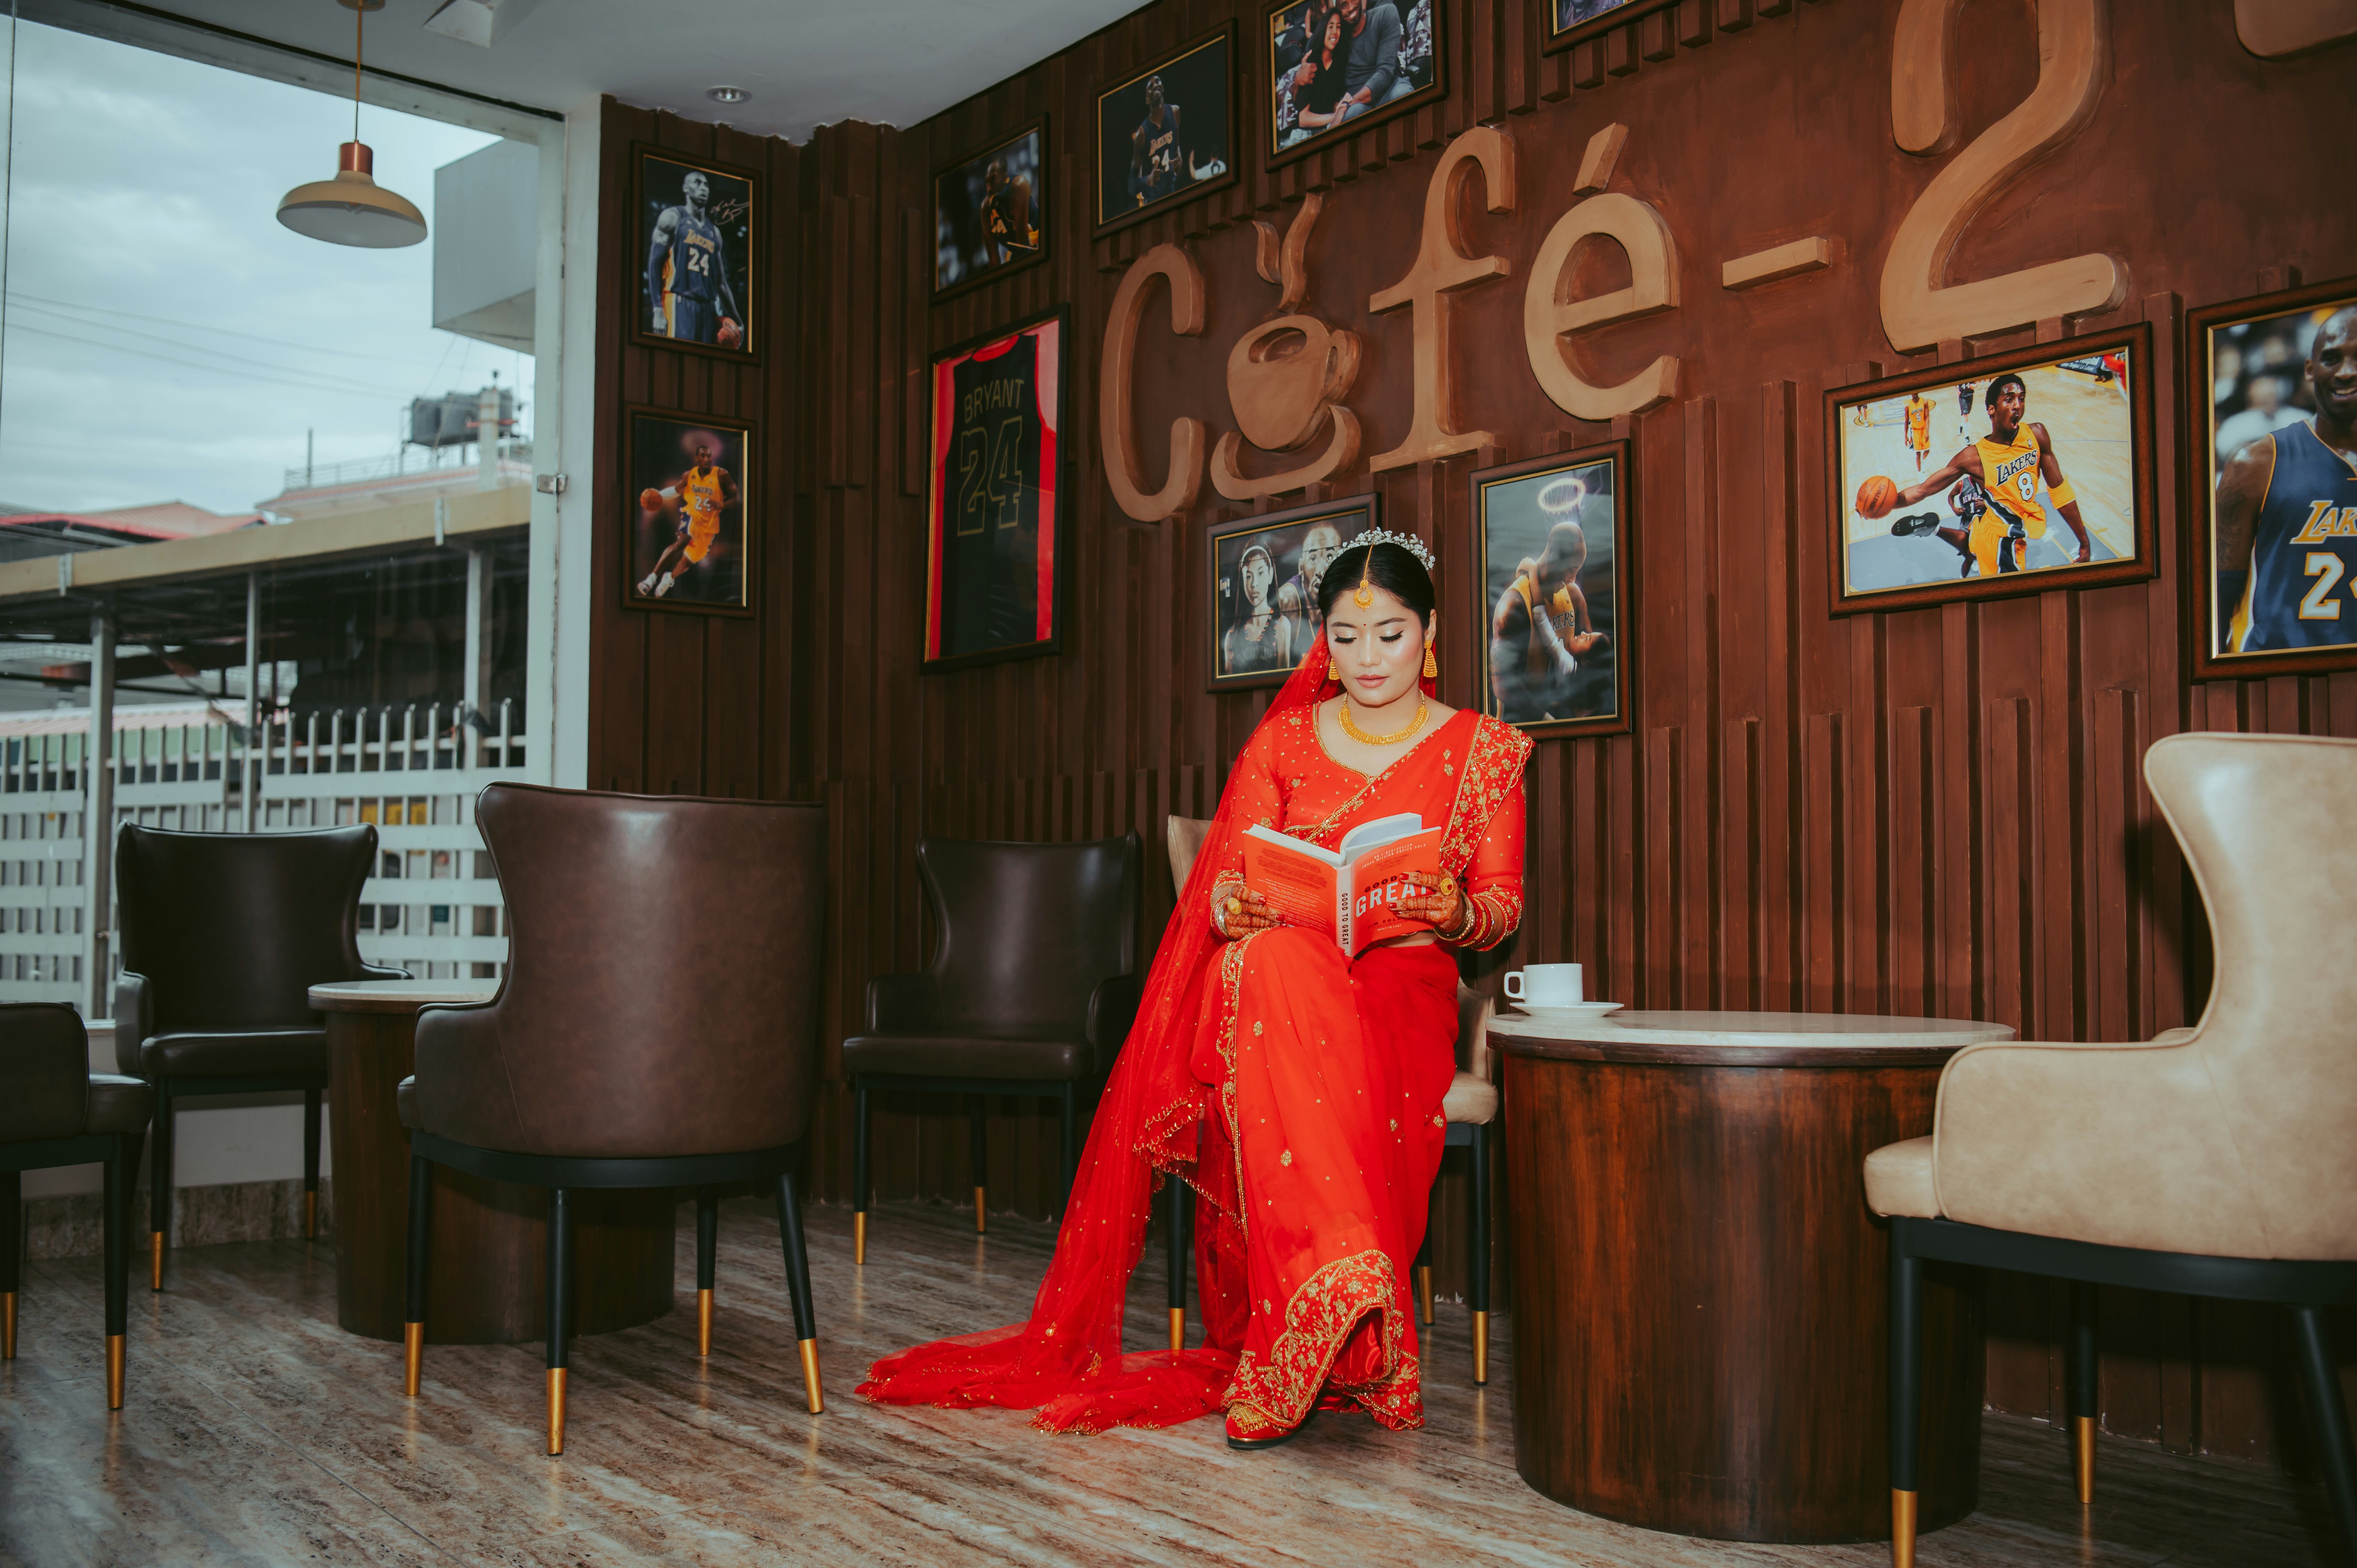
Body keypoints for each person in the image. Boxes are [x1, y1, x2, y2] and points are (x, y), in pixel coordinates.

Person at [858, 532, 1534, 1448]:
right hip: (1287, 982)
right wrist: (1235, 902)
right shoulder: (1285, 740)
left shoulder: (1484, 750)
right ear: (1323, 639)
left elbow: (1500, 909)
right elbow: (1227, 885)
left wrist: (1455, 908)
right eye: (1345, 636)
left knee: (1272, 978)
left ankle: (1325, 1310)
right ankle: (1330, 1294)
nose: (1368, 657)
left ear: (1432, 630)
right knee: (1265, 959)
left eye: (1391, 634)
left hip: (1401, 990)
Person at [2215, 306, 2357, 654]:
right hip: (2279, 675)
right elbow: (2214, 600)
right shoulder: (2254, 465)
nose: (2345, 372)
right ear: (2309, 369)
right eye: (2331, 359)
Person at [1886, 372, 2092, 578]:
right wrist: (1887, 503)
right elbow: (1922, 490)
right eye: (2009, 400)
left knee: (1970, 549)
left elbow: (2060, 493)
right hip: (2002, 541)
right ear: (1992, 410)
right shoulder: (1974, 457)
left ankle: (1934, 529)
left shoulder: (2037, 435)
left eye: (2021, 399)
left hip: (1991, 522)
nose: (2018, 405)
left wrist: (2084, 542)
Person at [1489, 520, 1605, 722]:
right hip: (1525, 725)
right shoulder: (1514, 604)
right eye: (1571, 569)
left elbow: (1594, 661)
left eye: (1577, 571)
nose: (1573, 578)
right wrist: (1548, 722)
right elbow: (1504, 686)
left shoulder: (1574, 595)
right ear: (1554, 558)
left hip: (1565, 719)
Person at [644, 170, 743, 348]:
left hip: (706, 309)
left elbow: (721, 283)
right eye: (697, 183)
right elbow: (654, 264)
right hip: (679, 302)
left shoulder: (714, 233)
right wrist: (658, 310)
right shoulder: (673, 218)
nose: (704, 188)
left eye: (707, 185)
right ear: (686, 188)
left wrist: (738, 320)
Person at [635, 439, 740, 599]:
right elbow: (674, 491)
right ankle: (651, 579)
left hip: (707, 531)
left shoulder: (723, 479)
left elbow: (735, 501)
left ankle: (670, 579)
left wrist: (722, 505)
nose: (707, 461)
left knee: (690, 561)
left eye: (711, 457)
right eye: (702, 457)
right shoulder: (687, 478)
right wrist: (658, 496)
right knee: (680, 544)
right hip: (690, 520)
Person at [1333, 0, 1409, 126]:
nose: (1350, 8)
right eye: (1344, 5)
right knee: (1354, 115)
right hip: (1357, 104)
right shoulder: (1336, 35)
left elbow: (1385, 72)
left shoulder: (1385, 14)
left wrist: (1347, 105)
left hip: (1388, 89)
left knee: (1402, 94)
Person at [1223, 544, 1295, 675]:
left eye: (1261, 573)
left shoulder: (1281, 626)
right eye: (1249, 576)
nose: (1254, 584)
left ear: (1270, 575)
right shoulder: (1232, 636)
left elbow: (1284, 680)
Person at [2213, 371, 2311, 465]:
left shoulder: (2299, 417)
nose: (2267, 401)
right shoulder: (2235, 424)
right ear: (2251, 397)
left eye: (2270, 396)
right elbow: (2225, 451)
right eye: (2263, 398)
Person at [1276, 520, 1344, 653]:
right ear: (1301, 567)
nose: (1321, 571)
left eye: (1330, 557)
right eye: (1313, 559)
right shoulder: (1290, 597)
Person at [1290, 8, 1352, 134]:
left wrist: (1340, 106)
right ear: (1323, 29)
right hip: (1304, 132)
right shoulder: (1312, 63)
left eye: (1338, 27)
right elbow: (1303, 119)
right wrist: (1336, 115)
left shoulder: (1339, 61)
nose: (1335, 32)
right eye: (1331, 27)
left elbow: (1333, 101)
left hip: (1328, 126)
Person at [1128, 75, 1186, 208]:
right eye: (1150, 86)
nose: (1155, 85)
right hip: (1153, 201)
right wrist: (1147, 180)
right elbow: (1131, 186)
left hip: (1172, 192)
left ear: (1163, 88)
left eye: (1158, 82)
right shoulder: (1142, 134)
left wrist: (1179, 157)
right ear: (1147, 100)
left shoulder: (1175, 112)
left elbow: (1177, 145)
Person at [979, 160, 1037, 267]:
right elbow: (994, 262)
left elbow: (1023, 245)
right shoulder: (986, 208)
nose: (989, 188)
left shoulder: (1018, 186)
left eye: (993, 179)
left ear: (1004, 178)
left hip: (1038, 243)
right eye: (987, 182)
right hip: (1018, 251)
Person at [1905, 391, 1932, 473]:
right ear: (1911, 394)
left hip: (1923, 430)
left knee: (1927, 450)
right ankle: (1920, 473)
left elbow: (1927, 418)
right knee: (1918, 454)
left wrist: (1927, 432)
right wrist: (1906, 436)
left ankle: (1923, 461)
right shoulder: (1908, 406)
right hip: (1915, 431)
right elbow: (1906, 421)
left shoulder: (1924, 401)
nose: (1914, 394)